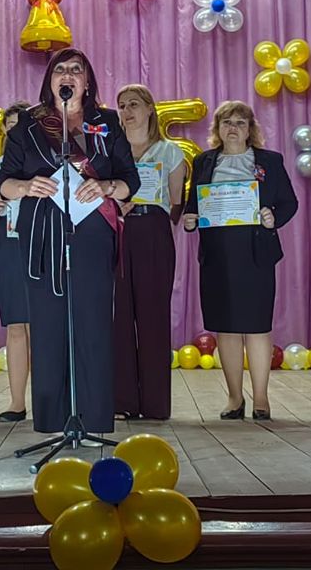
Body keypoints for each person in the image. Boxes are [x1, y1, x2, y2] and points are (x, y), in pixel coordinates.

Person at [0, 48, 139, 435]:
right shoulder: (28, 125)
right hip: (42, 233)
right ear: (50, 80)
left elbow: (131, 180)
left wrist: (107, 186)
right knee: (48, 324)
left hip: (92, 232)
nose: (68, 75)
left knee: (93, 322)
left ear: (87, 81)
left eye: (76, 70)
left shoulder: (107, 122)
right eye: (60, 69)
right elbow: (4, 181)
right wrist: (26, 186)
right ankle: (52, 418)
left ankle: (93, 418)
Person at [182, 101, 297, 422]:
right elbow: (193, 206)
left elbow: (289, 203)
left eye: (240, 122)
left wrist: (273, 217)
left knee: (257, 327)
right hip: (217, 256)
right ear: (217, 129)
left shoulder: (270, 161)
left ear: (250, 129)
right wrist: (190, 220)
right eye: (226, 122)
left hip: (256, 254)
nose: (233, 128)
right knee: (226, 328)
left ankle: (261, 398)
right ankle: (234, 398)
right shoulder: (203, 161)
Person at [113, 84, 186, 421]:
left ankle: (156, 404)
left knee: (154, 316)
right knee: (119, 316)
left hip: (154, 232)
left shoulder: (170, 152)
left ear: (149, 109)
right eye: (122, 105)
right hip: (117, 232)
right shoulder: (112, 152)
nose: (127, 111)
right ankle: (123, 401)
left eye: (134, 104)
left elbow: (175, 202)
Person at [0, 101, 32, 423]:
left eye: (21, 126)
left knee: (44, 325)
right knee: (15, 324)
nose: (16, 132)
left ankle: (49, 398)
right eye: (10, 127)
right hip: (7, 247)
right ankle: (16, 402)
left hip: (41, 245)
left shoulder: (44, 165)